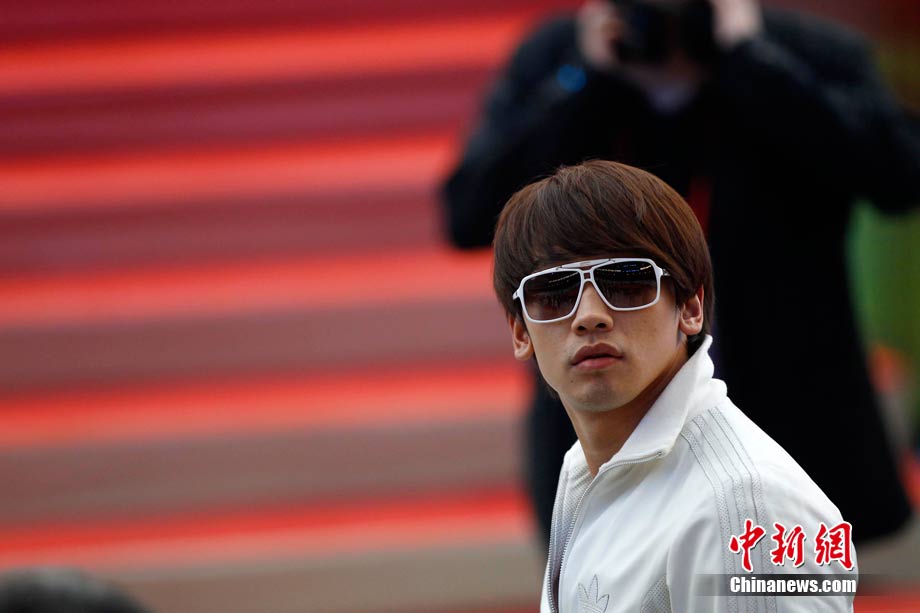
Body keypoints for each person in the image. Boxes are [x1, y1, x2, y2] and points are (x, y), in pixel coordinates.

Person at [443, 0, 918, 547]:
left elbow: (899, 175)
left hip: (789, 411)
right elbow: (469, 212)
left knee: (781, 585)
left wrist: (753, 62)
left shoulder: (800, 50)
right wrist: (585, 80)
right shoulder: (560, 59)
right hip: (609, 423)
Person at [493, 159, 856, 611]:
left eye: (626, 282)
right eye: (553, 292)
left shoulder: (745, 506)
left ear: (690, 307)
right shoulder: (586, 466)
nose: (589, 316)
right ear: (520, 332)